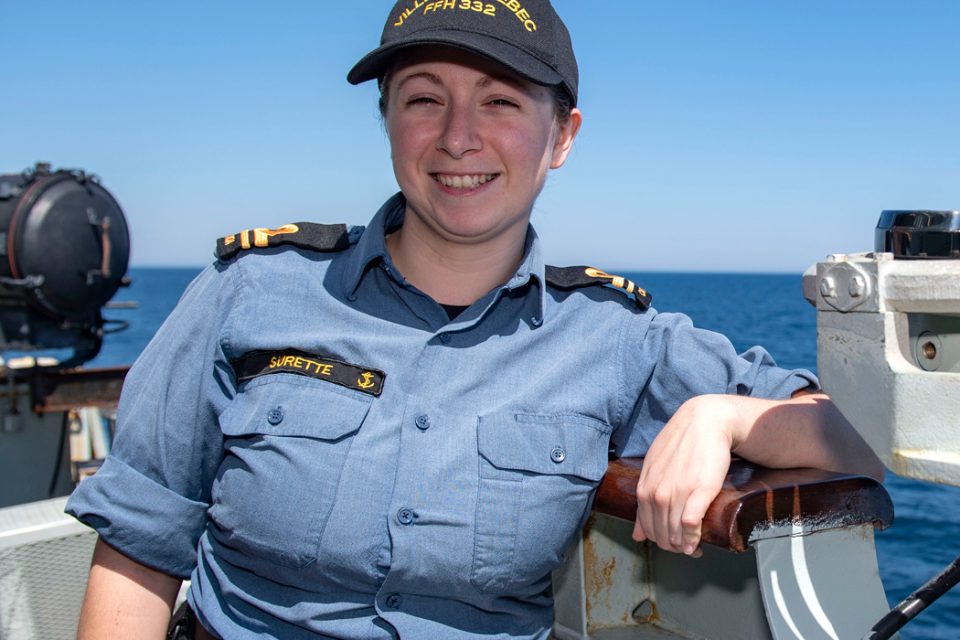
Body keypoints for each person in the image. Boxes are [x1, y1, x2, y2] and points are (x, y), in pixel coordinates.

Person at [67, 2, 882, 638]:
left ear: (561, 136)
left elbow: (867, 436)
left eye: (499, 100)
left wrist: (723, 414)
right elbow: (141, 543)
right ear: (386, 120)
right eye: (425, 98)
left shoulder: (613, 335)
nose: (459, 137)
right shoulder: (250, 291)